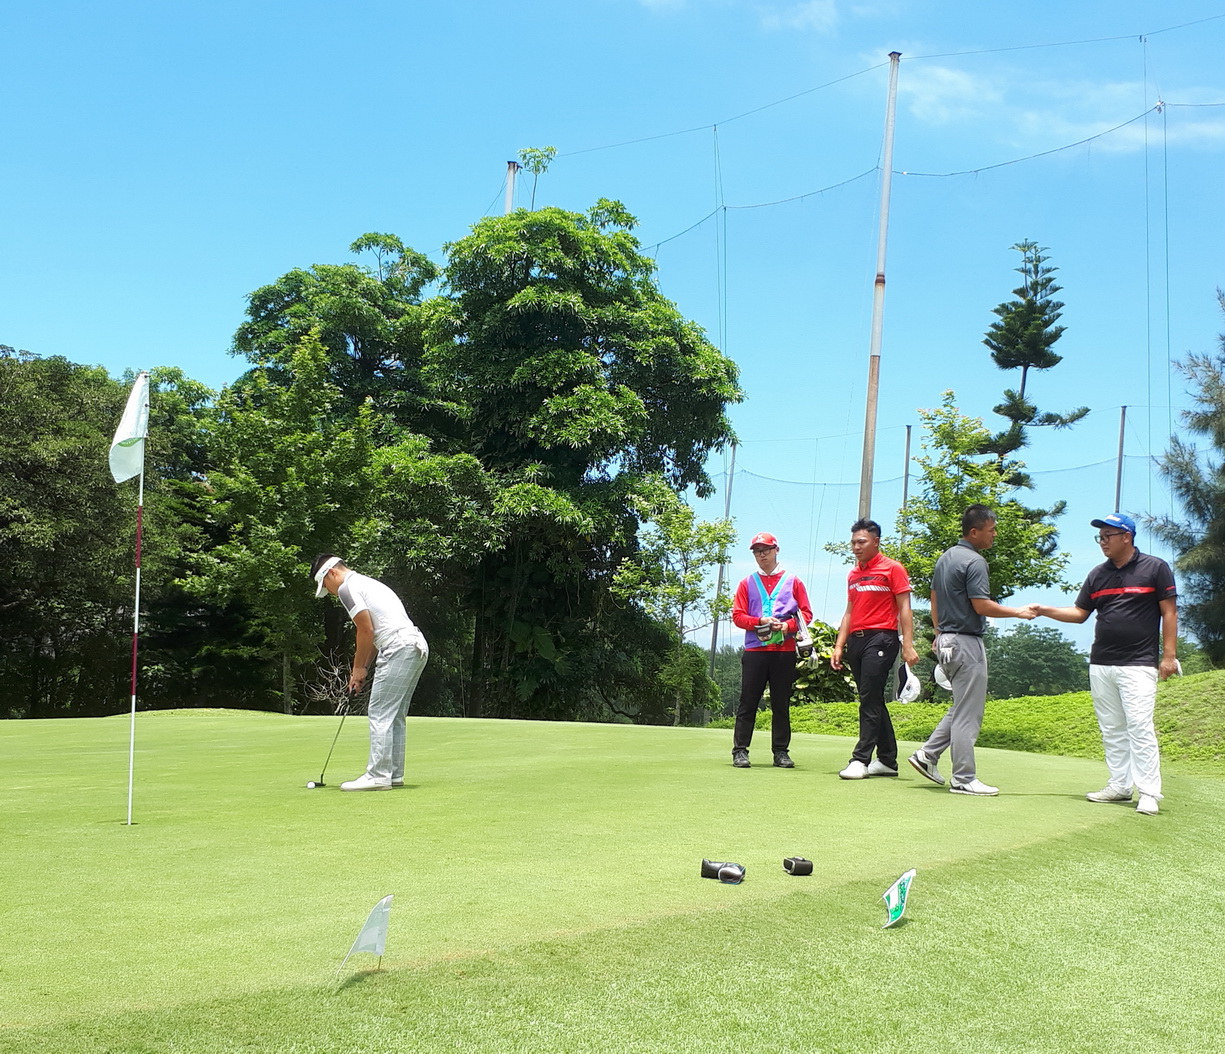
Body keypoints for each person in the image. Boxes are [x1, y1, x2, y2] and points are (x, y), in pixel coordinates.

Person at [1033, 513, 1177, 816]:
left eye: (1108, 536)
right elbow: (1079, 613)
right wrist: (1045, 610)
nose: (1103, 542)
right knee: (1112, 727)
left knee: (1139, 726)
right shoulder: (1097, 574)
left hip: (1138, 663)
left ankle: (1149, 792)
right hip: (1101, 662)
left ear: (1127, 536)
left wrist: (1168, 655)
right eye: (1100, 537)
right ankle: (1120, 785)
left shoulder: (1155, 568)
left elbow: (1169, 613)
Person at [907, 505, 1036, 796]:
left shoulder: (946, 558)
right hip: (966, 642)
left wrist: (939, 633)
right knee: (969, 713)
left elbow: (934, 598)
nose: (994, 535)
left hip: (946, 641)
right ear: (974, 532)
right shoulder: (975, 561)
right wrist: (1018, 612)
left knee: (960, 706)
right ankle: (964, 778)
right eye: (991, 530)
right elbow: (981, 605)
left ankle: (927, 755)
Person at [310, 554, 429, 791]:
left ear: (332, 573)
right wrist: (363, 668)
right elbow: (373, 633)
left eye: (326, 586)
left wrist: (357, 669)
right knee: (394, 715)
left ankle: (378, 776)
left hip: (398, 646)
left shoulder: (346, 588)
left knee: (380, 712)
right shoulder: (368, 583)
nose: (330, 592)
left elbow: (365, 629)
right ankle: (393, 774)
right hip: (414, 645)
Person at [830, 518, 919, 779]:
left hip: (882, 638)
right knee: (873, 699)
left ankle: (860, 759)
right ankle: (888, 760)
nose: (856, 547)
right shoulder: (853, 574)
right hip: (856, 641)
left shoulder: (893, 569)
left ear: (876, 541)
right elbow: (849, 611)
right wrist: (839, 645)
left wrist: (908, 645)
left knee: (869, 699)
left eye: (861, 542)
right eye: (853, 543)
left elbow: (905, 608)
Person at [729, 532, 813, 769]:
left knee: (781, 703)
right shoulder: (746, 583)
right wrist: (759, 621)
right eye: (757, 551)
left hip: (783, 650)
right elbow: (738, 616)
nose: (761, 555)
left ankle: (781, 752)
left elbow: (806, 614)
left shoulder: (793, 581)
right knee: (748, 702)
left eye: (765, 550)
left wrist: (787, 626)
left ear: (776, 550)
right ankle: (740, 750)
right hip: (755, 651)